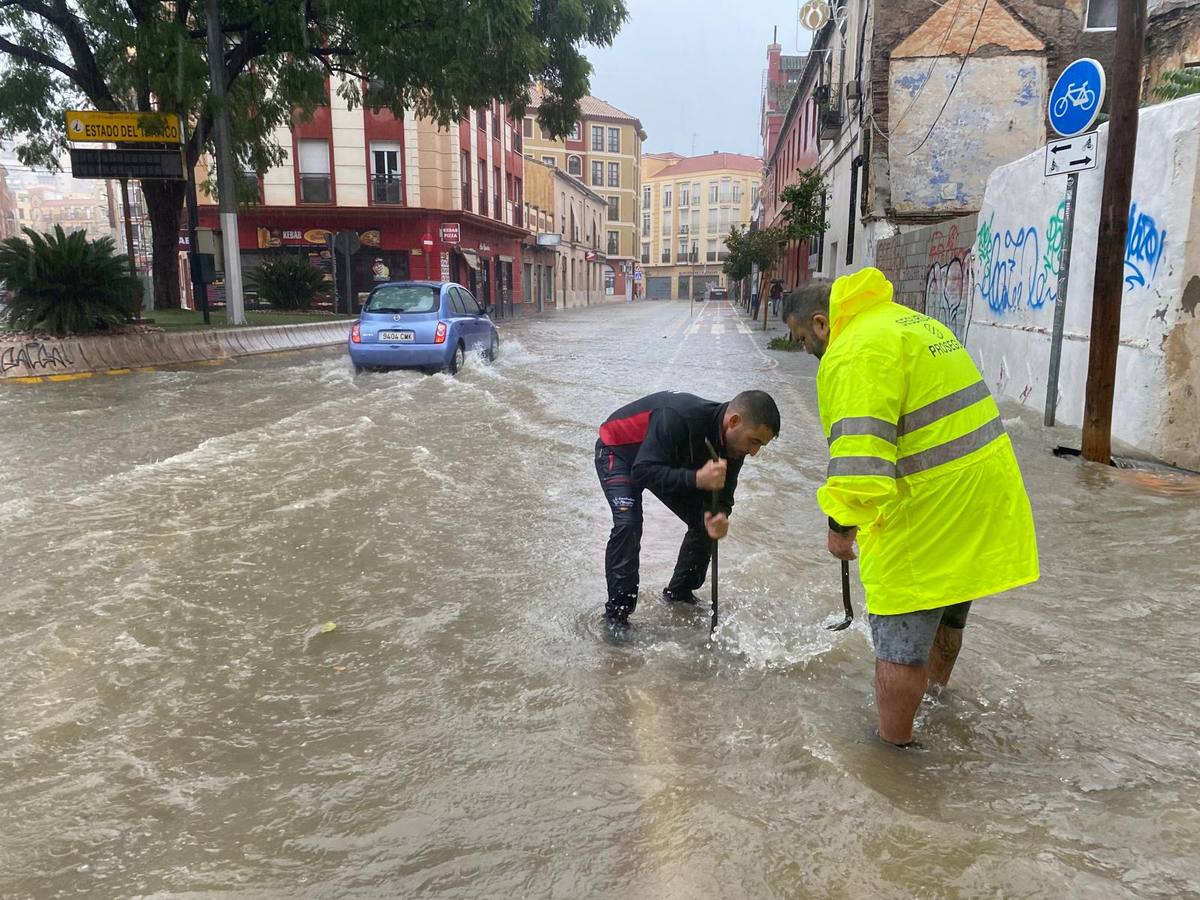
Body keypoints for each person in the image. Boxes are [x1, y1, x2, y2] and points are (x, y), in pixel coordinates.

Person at [782, 268, 1039, 747]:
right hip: (982, 498)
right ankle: (935, 702)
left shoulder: (855, 349)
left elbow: (860, 464)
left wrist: (841, 527)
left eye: (801, 339)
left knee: (900, 645)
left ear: (821, 324)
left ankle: (895, 755)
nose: (806, 350)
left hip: (930, 511)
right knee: (949, 613)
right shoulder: (912, 323)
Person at [595, 390, 781, 633]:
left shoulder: (734, 445)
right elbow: (641, 472)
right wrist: (696, 478)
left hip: (662, 461)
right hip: (618, 453)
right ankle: (617, 616)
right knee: (628, 523)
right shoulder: (679, 416)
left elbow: (723, 498)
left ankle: (680, 594)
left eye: (761, 445)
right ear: (734, 421)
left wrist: (720, 516)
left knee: (707, 521)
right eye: (754, 441)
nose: (754, 452)